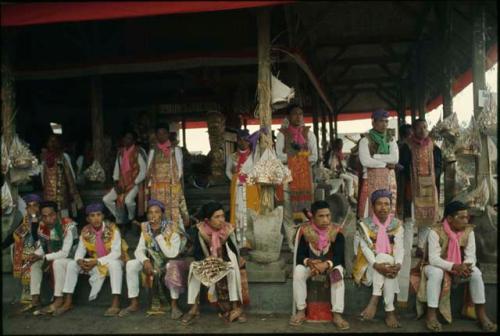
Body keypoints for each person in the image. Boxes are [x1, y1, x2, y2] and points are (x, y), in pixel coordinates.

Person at [416, 201, 497, 332]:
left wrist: (465, 266)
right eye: (462, 217)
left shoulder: (468, 231)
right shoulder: (435, 231)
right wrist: (454, 266)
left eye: (467, 217)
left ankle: (481, 315)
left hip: (459, 266)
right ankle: (431, 315)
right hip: (434, 266)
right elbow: (434, 259)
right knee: (436, 273)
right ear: (449, 218)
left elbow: (471, 256)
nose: (466, 221)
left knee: (475, 272)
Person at [397, 119, 442, 306]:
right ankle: (407, 247)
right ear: (413, 130)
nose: (423, 130)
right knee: (410, 219)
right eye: (419, 128)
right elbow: (402, 166)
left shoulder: (434, 146)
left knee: (427, 220)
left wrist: (433, 176)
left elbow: (440, 165)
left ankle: (421, 244)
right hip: (411, 188)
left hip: (429, 189)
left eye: (425, 127)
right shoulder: (406, 147)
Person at [55, 203, 128, 316]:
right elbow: (80, 251)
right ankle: (68, 301)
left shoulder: (113, 229)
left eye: (98, 215)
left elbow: (116, 253)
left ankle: (115, 302)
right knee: (72, 265)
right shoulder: (85, 231)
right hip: (95, 262)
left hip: (113, 261)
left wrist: (97, 262)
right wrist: (80, 261)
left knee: (115, 264)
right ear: (87, 219)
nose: (96, 218)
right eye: (92, 216)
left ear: (103, 216)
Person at [119, 199, 188, 319]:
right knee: (131, 264)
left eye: (156, 212)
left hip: (172, 260)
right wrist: (145, 260)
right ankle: (134, 303)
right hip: (152, 260)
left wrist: (158, 236)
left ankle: (174, 305)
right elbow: (139, 250)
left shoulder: (172, 227)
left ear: (162, 214)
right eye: (150, 212)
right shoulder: (146, 228)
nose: (153, 215)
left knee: (171, 266)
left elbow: (171, 254)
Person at [182, 201, 248, 325]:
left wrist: (223, 250)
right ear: (208, 220)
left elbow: (234, 252)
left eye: (222, 216)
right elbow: (197, 254)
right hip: (208, 263)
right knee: (193, 268)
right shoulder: (201, 230)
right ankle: (194, 308)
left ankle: (235, 307)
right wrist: (209, 262)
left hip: (225, 263)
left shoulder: (228, 229)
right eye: (217, 217)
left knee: (233, 268)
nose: (221, 220)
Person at [289, 201, 349, 330]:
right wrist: (309, 262)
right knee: (299, 271)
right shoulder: (305, 231)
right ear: (313, 217)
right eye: (321, 216)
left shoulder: (336, 231)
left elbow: (339, 257)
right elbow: (299, 256)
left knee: (337, 273)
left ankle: (337, 314)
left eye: (328, 215)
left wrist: (326, 264)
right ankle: (301, 311)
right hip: (312, 266)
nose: (325, 220)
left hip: (331, 266)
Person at [352, 189, 404, 328]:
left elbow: (400, 248)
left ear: (391, 206)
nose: (383, 207)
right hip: (368, 267)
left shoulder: (397, 225)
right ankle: (389, 312)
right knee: (382, 257)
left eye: (387, 204)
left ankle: (374, 301)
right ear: (373, 206)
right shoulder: (364, 224)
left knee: (386, 260)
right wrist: (376, 265)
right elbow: (365, 249)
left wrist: (398, 264)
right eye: (379, 204)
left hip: (389, 268)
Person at [276, 104, 318, 250]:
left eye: (300, 114)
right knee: (288, 214)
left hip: (306, 180)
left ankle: (305, 243)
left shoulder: (309, 133)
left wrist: (293, 157)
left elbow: (315, 157)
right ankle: (293, 245)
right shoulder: (282, 134)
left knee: (306, 212)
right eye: (294, 114)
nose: (298, 116)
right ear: (288, 117)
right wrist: (301, 156)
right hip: (288, 180)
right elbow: (278, 156)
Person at [29, 201, 79, 315]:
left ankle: (59, 299)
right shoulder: (42, 226)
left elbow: (66, 253)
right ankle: (35, 298)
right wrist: (36, 254)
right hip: (53, 255)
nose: (48, 219)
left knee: (57, 262)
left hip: (72, 258)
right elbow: (44, 247)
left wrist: (44, 257)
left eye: (51, 215)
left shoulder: (68, 226)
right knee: (34, 263)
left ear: (57, 214)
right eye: (44, 216)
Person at [1, 194, 43, 311]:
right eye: (29, 206)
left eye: (35, 205)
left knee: (29, 257)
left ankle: (35, 298)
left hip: (40, 250)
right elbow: (14, 235)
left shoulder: (43, 219)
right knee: (22, 253)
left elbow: (35, 236)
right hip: (25, 249)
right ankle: (28, 298)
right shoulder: (25, 220)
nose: (32, 208)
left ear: (39, 206)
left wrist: (34, 219)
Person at [146, 124, 189, 229]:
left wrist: (173, 184)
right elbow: (149, 169)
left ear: (168, 134)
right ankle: (158, 235)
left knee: (173, 211)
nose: (161, 136)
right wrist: (150, 186)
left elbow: (179, 170)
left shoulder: (175, 150)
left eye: (164, 133)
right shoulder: (153, 150)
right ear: (156, 135)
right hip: (157, 188)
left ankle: (175, 235)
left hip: (171, 186)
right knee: (157, 211)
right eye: (159, 134)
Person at [357, 109, 398, 219]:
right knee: (368, 213)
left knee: (386, 213)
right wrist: (385, 164)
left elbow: (395, 159)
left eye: (386, 121)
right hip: (370, 180)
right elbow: (365, 161)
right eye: (381, 121)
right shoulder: (365, 140)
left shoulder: (390, 139)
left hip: (388, 179)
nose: (384, 124)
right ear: (373, 123)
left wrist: (376, 156)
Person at [103, 131, 147, 231]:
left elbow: (144, 171)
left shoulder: (139, 151)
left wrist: (134, 183)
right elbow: (116, 169)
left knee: (128, 201)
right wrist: (116, 183)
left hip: (136, 182)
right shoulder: (120, 152)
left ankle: (131, 218)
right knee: (106, 199)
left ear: (134, 140)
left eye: (129, 138)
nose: (126, 140)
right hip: (122, 183)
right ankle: (122, 218)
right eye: (125, 138)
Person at [225, 129, 260, 249]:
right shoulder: (232, 156)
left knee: (250, 212)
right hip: (237, 189)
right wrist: (235, 179)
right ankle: (239, 242)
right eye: (240, 139)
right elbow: (228, 171)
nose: (243, 142)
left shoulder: (254, 156)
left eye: (246, 139)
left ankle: (251, 242)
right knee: (238, 213)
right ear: (237, 140)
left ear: (249, 141)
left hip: (251, 189)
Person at [40, 134, 83, 218]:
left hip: (61, 195)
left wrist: (73, 193)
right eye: (51, 141)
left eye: (54, 141)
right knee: (51, 217)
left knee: (64, 219)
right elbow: (43, 177)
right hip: (49, 196)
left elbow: (70, 176)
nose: (52, 144)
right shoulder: (44, 158)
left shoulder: (63, 157)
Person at [326, 138, 358, 205]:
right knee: (350, 179)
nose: (343, 145)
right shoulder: (336, 153)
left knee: (354, 177)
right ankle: (350, 196)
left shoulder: (335, 152)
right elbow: (334, 165)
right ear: (339, 145)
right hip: (336, 173)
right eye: (342, 143)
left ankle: (351, 195)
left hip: (339, 171)